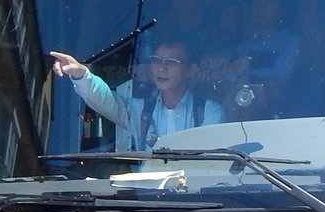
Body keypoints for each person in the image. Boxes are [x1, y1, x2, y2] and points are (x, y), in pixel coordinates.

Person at [50, 40, 225, 150]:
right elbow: (105, 100)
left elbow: (209, 163)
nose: (161, 68)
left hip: (195, 201)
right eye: (156, 60)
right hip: (148, 202)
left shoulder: (210, 112)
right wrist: (81, 74)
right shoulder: (141, 111)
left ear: (190, 70)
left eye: (171, 62)